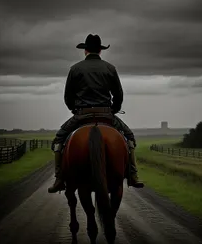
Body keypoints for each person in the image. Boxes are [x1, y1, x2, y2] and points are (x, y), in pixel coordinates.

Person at [48, 34, 144, 193]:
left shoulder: (75, 69)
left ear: (85, 50)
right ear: (100, 50)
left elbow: (68, 96)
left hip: (81, 114)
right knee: (130, 138)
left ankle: (59, 179)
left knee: (59, 140)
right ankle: (133, 175)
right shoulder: (110, 68)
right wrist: (113, 110)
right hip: (106, 114)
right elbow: (118, 95)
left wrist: (75, 110)